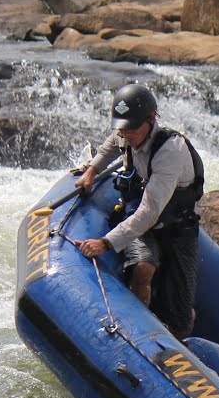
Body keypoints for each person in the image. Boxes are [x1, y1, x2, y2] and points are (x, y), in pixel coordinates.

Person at [74, 82, 205, 339]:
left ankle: (173, 345)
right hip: (143, 214)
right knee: (143, 267)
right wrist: (91, 170)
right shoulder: (125, 133)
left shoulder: (170, 151)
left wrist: (105, 243)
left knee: (181, 319)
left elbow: (149, 213)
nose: (126, 135)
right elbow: (110, 146)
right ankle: (137, 333)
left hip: (177, 224)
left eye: (132, 129)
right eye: (122, 128)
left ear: (151, 119)